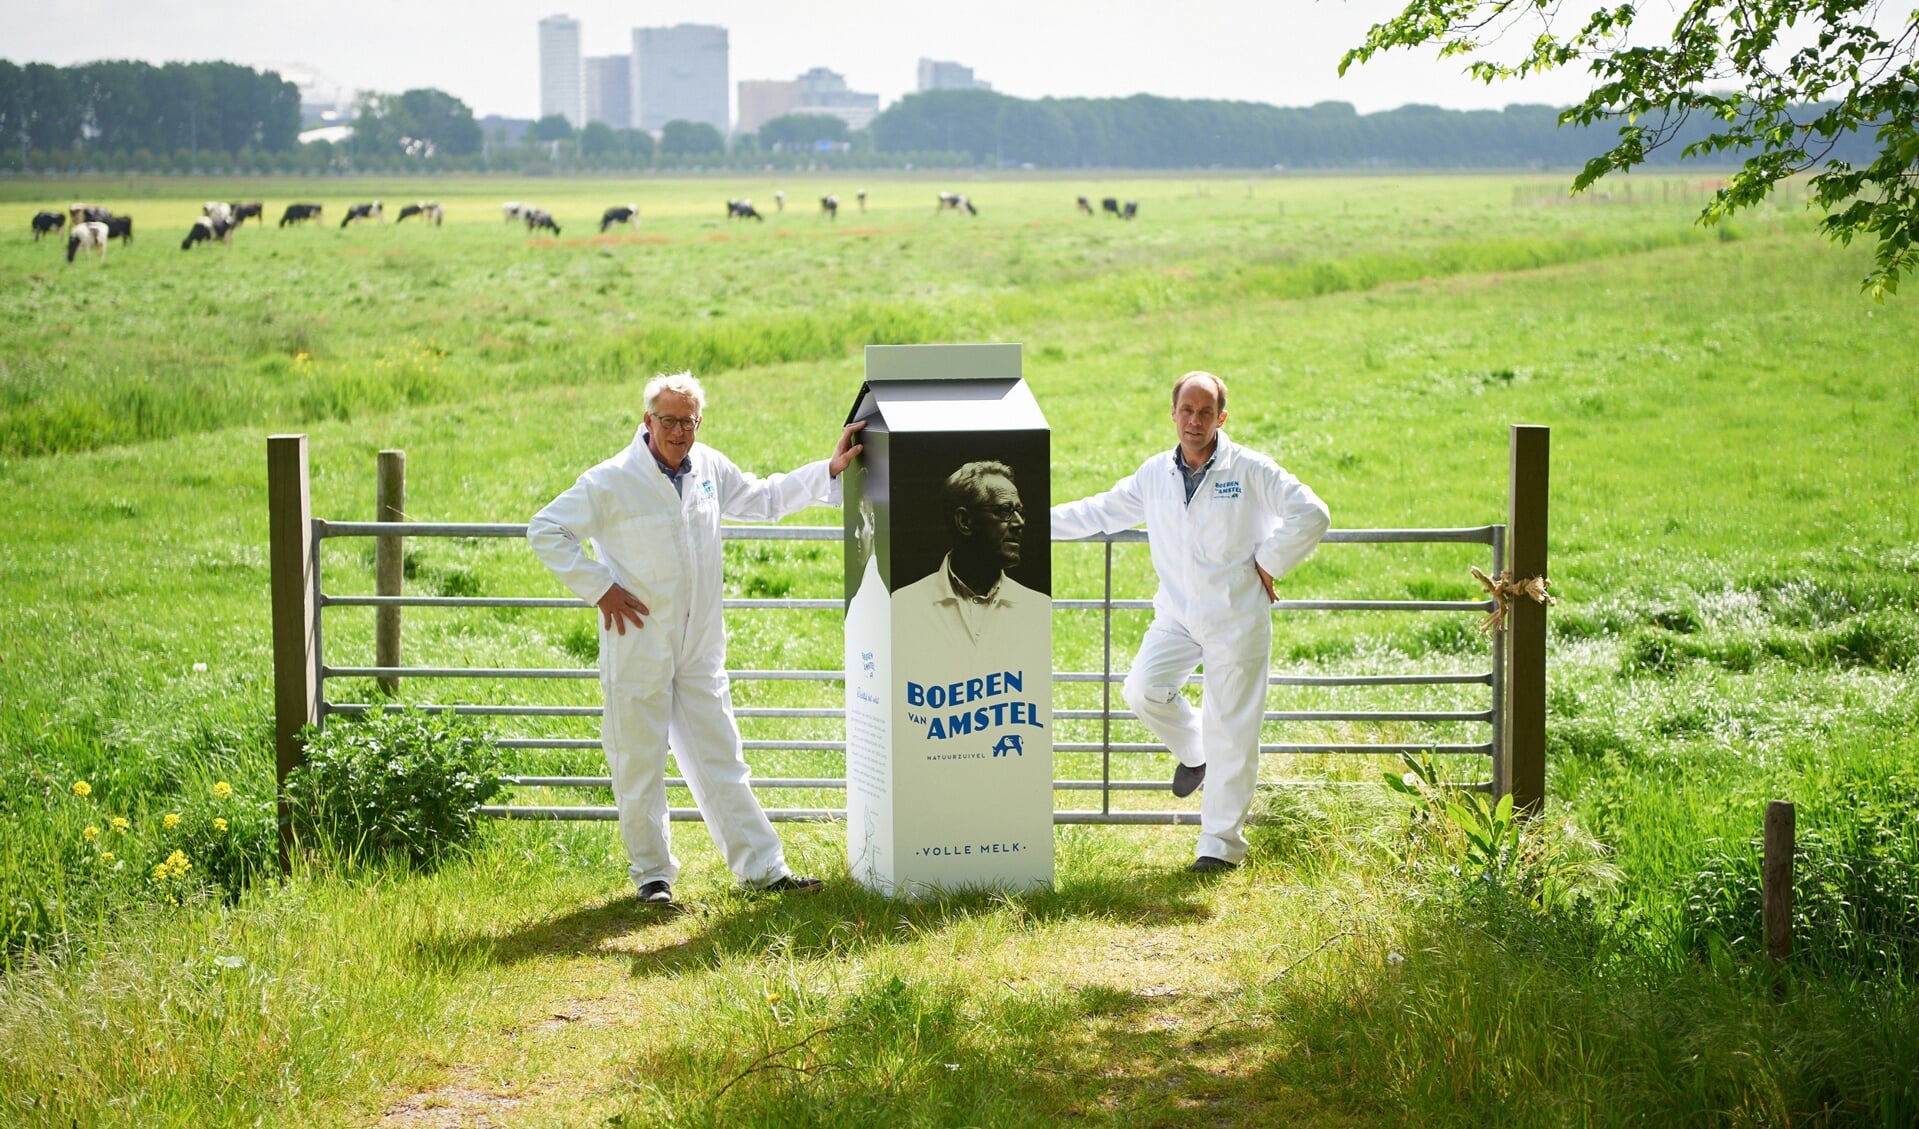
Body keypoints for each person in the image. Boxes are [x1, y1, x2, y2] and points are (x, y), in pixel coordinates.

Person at [529, 372, 865, 905]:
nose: (678, 431)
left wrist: (828, 469)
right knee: (638, 759)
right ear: (647, 421)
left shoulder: (708, 466)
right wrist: (600, 589)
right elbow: (545, 529)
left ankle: (763, 869)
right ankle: (653, 877)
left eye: (687, 421)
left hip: (699, 642)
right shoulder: (611, 480)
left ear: (698, 422)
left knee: (721, 753)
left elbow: (762, 496)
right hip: (638, 638)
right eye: (668, 420)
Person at [1051, 372, 1329, 872]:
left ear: (1221, 418)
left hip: (1235, 615)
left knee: (1233, 731)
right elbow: (1099, 511)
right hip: (1177, 613)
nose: (1194, 421)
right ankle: (1194, 751)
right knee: (1142, 689)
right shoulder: (1155, 473)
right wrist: (1024, 523)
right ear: (1173, 413)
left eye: (1206, 412)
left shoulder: (1249, 469)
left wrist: (1268, 563)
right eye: (1186, 410)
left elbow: (1312, 513)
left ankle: (1220, 848)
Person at [890, 461, 1047, 653]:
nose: (1019, 523)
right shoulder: (904, 605)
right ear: (964, 521)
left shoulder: (1036, 607)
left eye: (1020, 512)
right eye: (1004, 511)